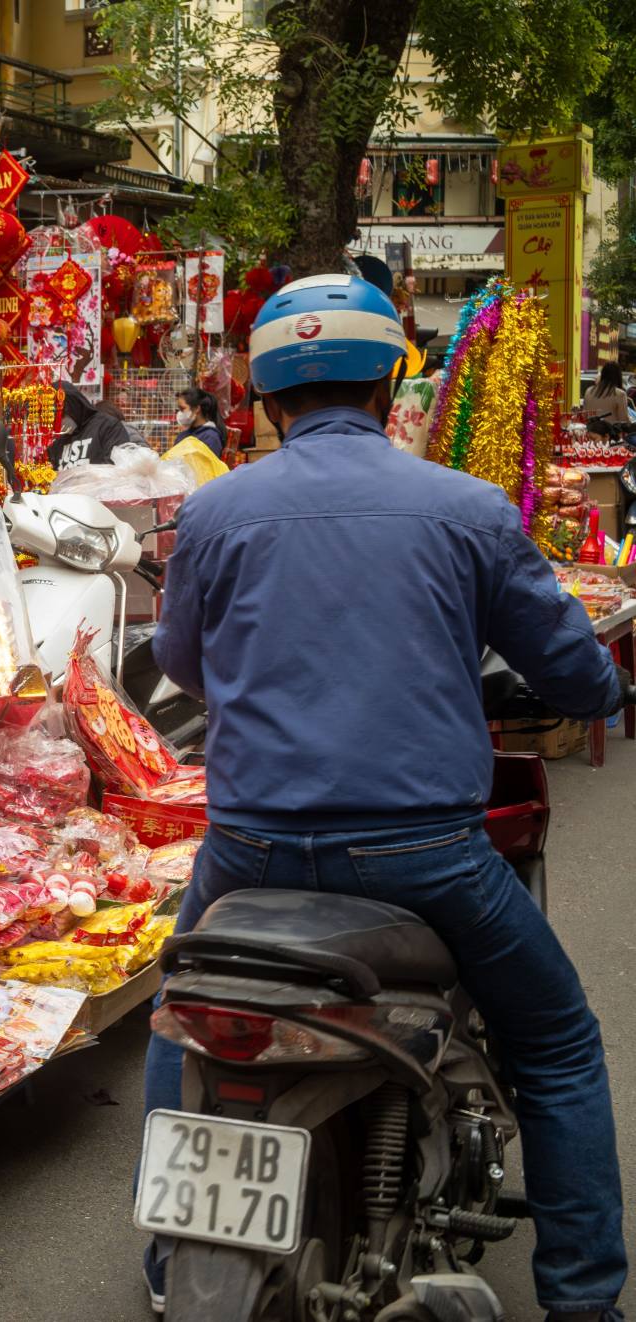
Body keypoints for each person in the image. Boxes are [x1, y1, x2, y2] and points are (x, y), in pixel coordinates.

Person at [141, 272, 627, 1322]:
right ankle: (584, 1296)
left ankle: (160, 1261)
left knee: (173, 1022)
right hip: (424, 855)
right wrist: (605, 686)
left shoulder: (214, 509)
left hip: (247, 852)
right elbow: (570, 664)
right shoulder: (463, 506)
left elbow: (179, 661)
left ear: (267, 397)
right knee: (554, 1040)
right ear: (388, 380)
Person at [49, 382, 135, 470]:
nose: (58, 422)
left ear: (73, 406)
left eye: (61, 415)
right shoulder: (58, 440)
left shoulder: (106, 426)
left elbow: (119, 467)